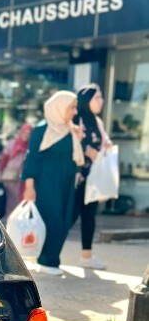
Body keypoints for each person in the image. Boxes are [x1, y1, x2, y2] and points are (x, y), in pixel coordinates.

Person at [21, 91, 85, 274]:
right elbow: (32, 159)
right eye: (71, 107)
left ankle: (52, 258)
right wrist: (29, 186)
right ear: (59, 107)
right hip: (47, 184)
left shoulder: (70, 131)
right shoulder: (42, 130)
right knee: (53, 219)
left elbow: (75, 159)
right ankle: (47, 260)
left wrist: (78, 139)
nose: (74, 112)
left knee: (65, 220)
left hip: (67, 184)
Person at [72, 84, 111, 270]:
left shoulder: (97, 121)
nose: (101, 101)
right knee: (68, 216)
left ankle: (86, 256)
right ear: (87, 101)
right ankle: (47, 254)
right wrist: (87, 150)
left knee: (90, 216)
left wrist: (107, 148)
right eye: (97, 98)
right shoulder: (76, 118)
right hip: (77, 178)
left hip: (93, 179)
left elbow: (104, 142)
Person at [0, 122, 32, 220]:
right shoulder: (12, 144)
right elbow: (4, 159)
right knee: (10, 201)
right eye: (25, 133)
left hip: (23, 179)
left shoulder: (31, 146)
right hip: (10, 179)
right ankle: (10, 220)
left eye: (29, 134)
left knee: (23, 201)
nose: (26, 136)